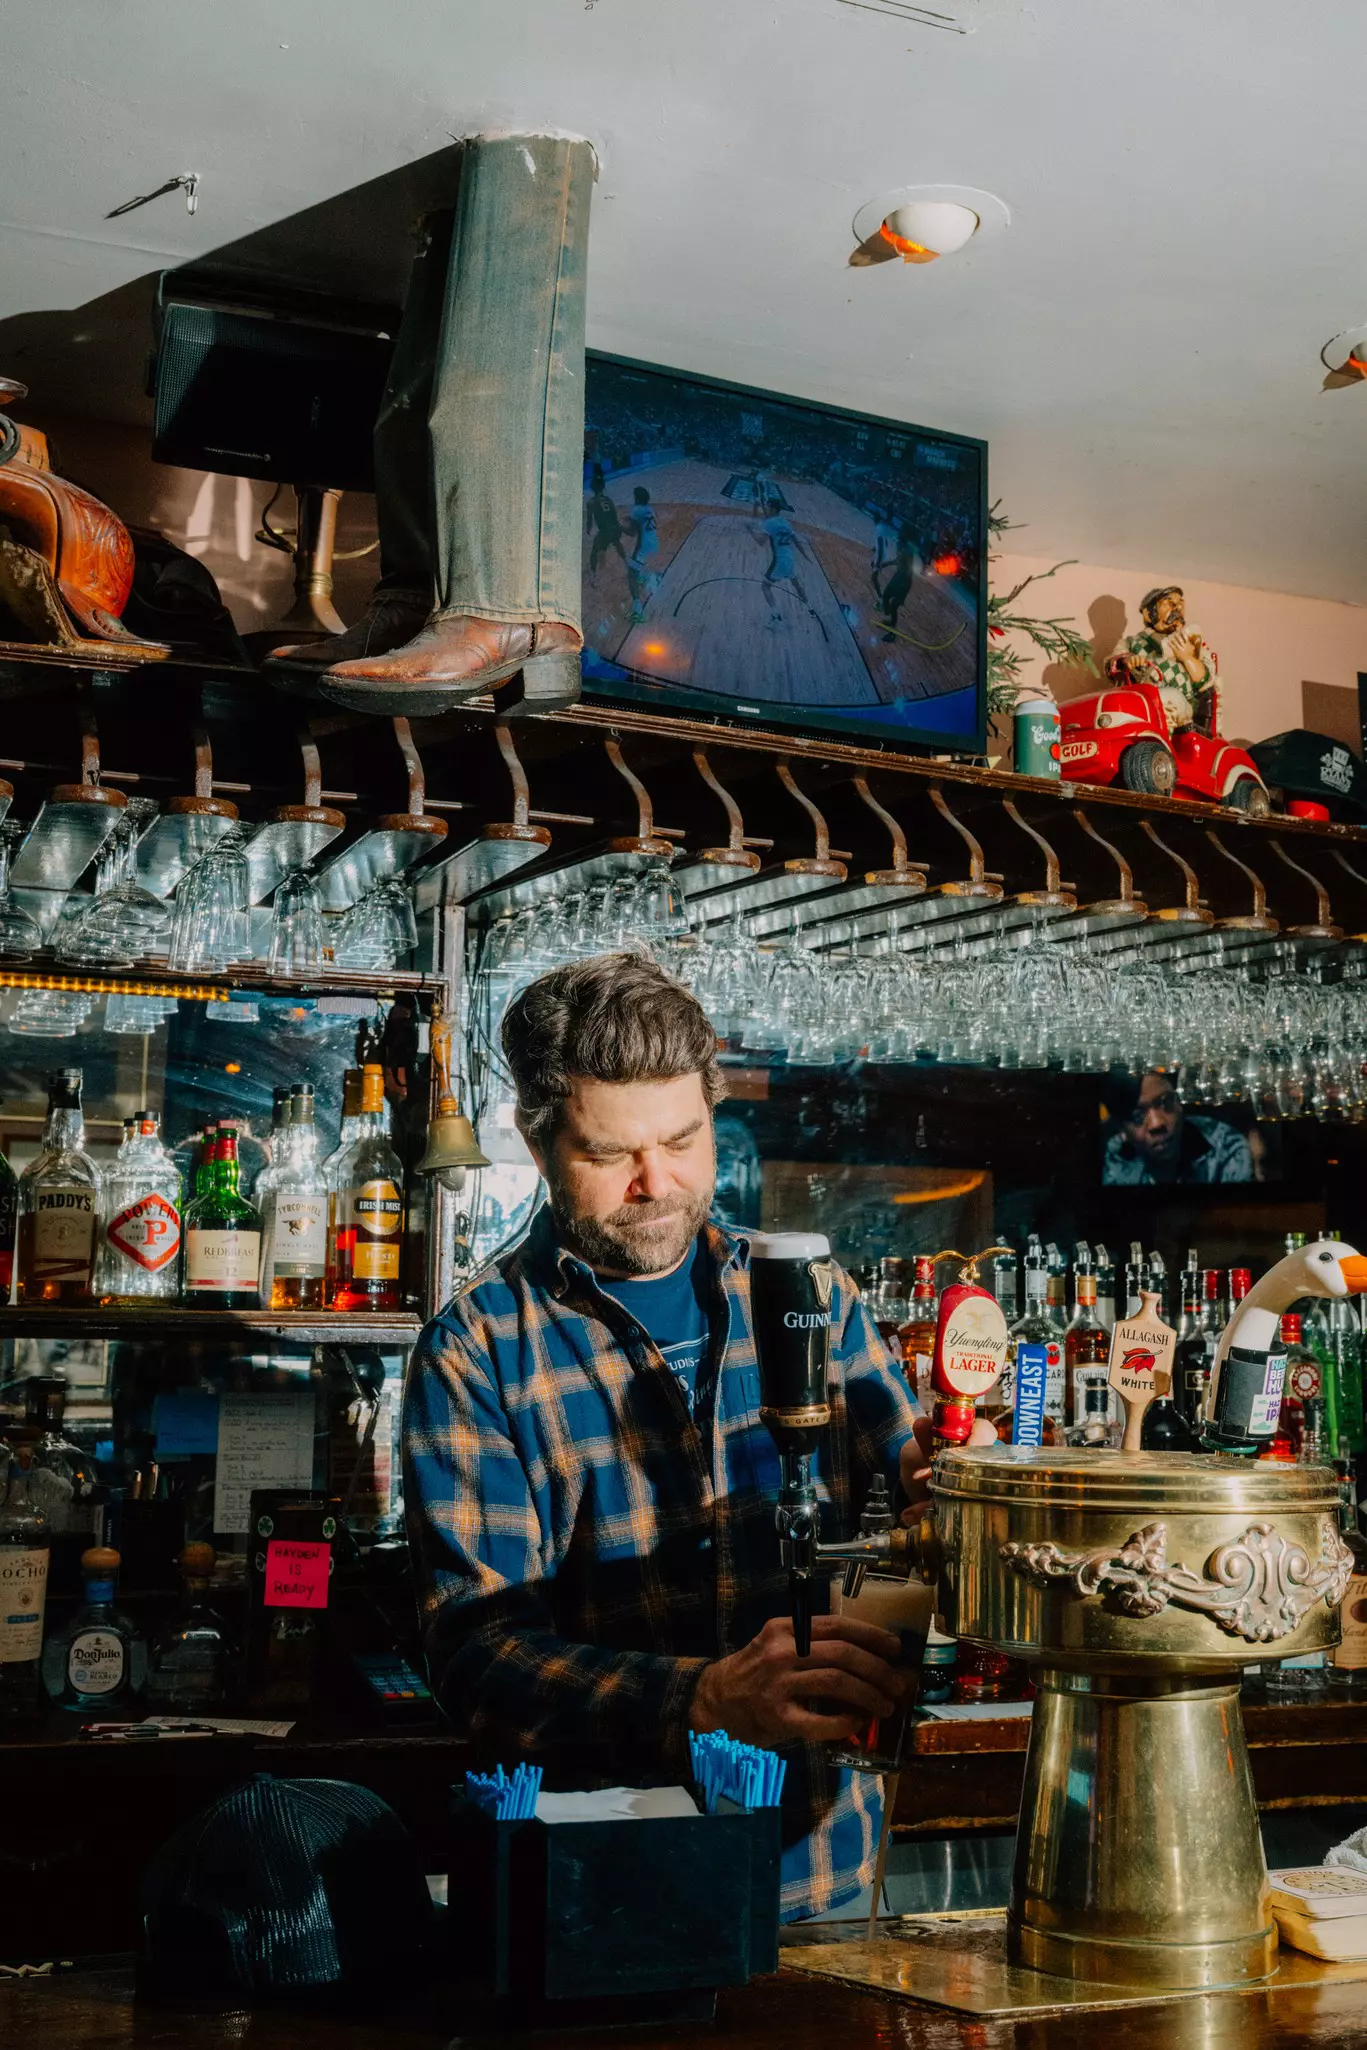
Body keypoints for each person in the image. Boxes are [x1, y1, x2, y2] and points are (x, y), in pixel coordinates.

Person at [403, 953, 933, 1922]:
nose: (656, 1183)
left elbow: (900, 1531)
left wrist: (948, 1516)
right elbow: (473, 1659)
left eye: (682, 1140)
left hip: (818, 1882)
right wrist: (703, 1698)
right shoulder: (478, 1348)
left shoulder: (813, 1300)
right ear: (535, 1141)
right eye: (609, 1155)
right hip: (598, 1896)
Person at [267, 133, 595, 717]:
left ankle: (508, 609)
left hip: (510, 593)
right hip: (424, 587)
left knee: (484, 377)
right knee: (414, 403)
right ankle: (413, 604)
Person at [1102, 1070, 1253, 1185]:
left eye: (1165, 1103)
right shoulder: (1108, 1162)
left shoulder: (1224, 1146)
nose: (1156, 1124)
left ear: (1179, 1102)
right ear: (1122, 1129)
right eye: (1137, 1117)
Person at [1116, 586, 1219, 736]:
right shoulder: (1132, 642)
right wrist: (1128, 661)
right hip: (1142, 702)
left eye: (1180, 604)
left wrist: (1187, 658)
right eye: (1168, 603)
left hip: (1181, 702)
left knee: (1167, 699)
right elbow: (1113, 663)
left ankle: (1163, 745)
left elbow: (1204, 679)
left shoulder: (1192, 641)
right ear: (1148, 614)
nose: (1176, 608)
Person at [756, 497, 818, 632]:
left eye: (766, 506)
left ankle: (775, 615)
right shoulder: (786, 523)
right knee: (797, 585)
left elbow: (760, 542)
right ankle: (810, 609)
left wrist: (749, 530)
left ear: (772, 508)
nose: (764, 508)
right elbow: (796, 541)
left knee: (765, 586)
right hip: (790, 558)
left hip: (779, 560)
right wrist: (806, 556)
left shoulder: (769, 523)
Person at [625, 485, 660, 622]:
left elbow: (631, 533)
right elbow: (646, 521)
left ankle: (637, 612)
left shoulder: (636, 510)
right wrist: (632, 519)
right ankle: (642, 576)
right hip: (653, 542)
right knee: (637, 565)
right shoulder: (649, 508)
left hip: (643, 546)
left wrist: (617, 526)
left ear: (637, 497)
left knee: (631, 576)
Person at [586, 467, 627, 582]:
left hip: (605, 531)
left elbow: (589, 520)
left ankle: (594, 575)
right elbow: (614, 514)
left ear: (592, 488)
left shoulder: (591, 502)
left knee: (594, 551)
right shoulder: (608, 499)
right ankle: (627, 564)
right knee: (617, 543)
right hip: (615, 528)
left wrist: (588, 530)